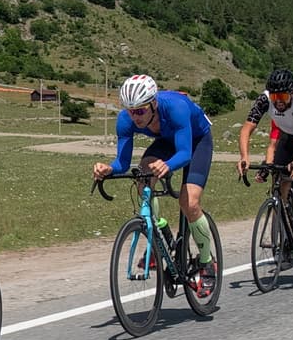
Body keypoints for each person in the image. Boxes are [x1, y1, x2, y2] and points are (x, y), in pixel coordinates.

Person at [92, 73, 218, 296]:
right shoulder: (125, 120)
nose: (135, 117)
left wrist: (168, 165)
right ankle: (159, 234)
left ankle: (207, 263)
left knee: (189, 202)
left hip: (197, 141)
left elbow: (185, 153)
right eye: (131, 111)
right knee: (143, 176)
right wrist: (108, 169)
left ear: (153, 104)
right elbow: (122, 161)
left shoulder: (176, 108)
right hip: (167, 142)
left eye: (140, 111)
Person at [237, 68, 293, 241]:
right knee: (278, 174)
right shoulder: (264, 99)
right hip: (289, 136)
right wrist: (244, 156)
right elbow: (246, 130)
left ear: (292, 93)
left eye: (283, 98)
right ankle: (285, 217)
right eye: (274, 97)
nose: (278, 102)